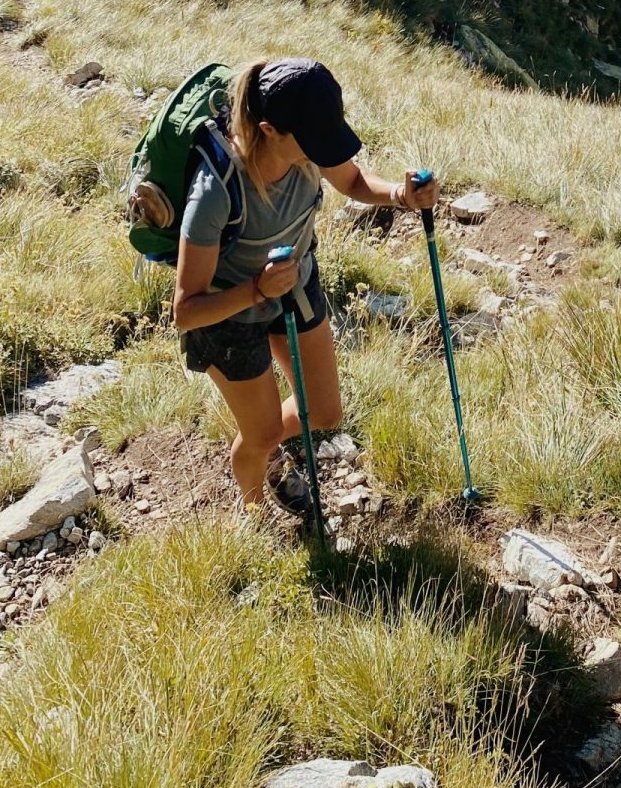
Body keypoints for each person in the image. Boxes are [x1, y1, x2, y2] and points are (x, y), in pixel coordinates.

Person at [171, 57, 437, 512]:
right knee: (264, 434)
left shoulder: (309, 148)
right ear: (269, 130)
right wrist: (257, 290)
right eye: (314, 141)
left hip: (293, 284)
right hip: (227, 316)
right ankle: (254, 509)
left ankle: (263, 439)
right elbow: (185, 312)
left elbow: (353, 180)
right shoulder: (215, 191)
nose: (324, 151)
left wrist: (400, 195)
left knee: (325, 411)